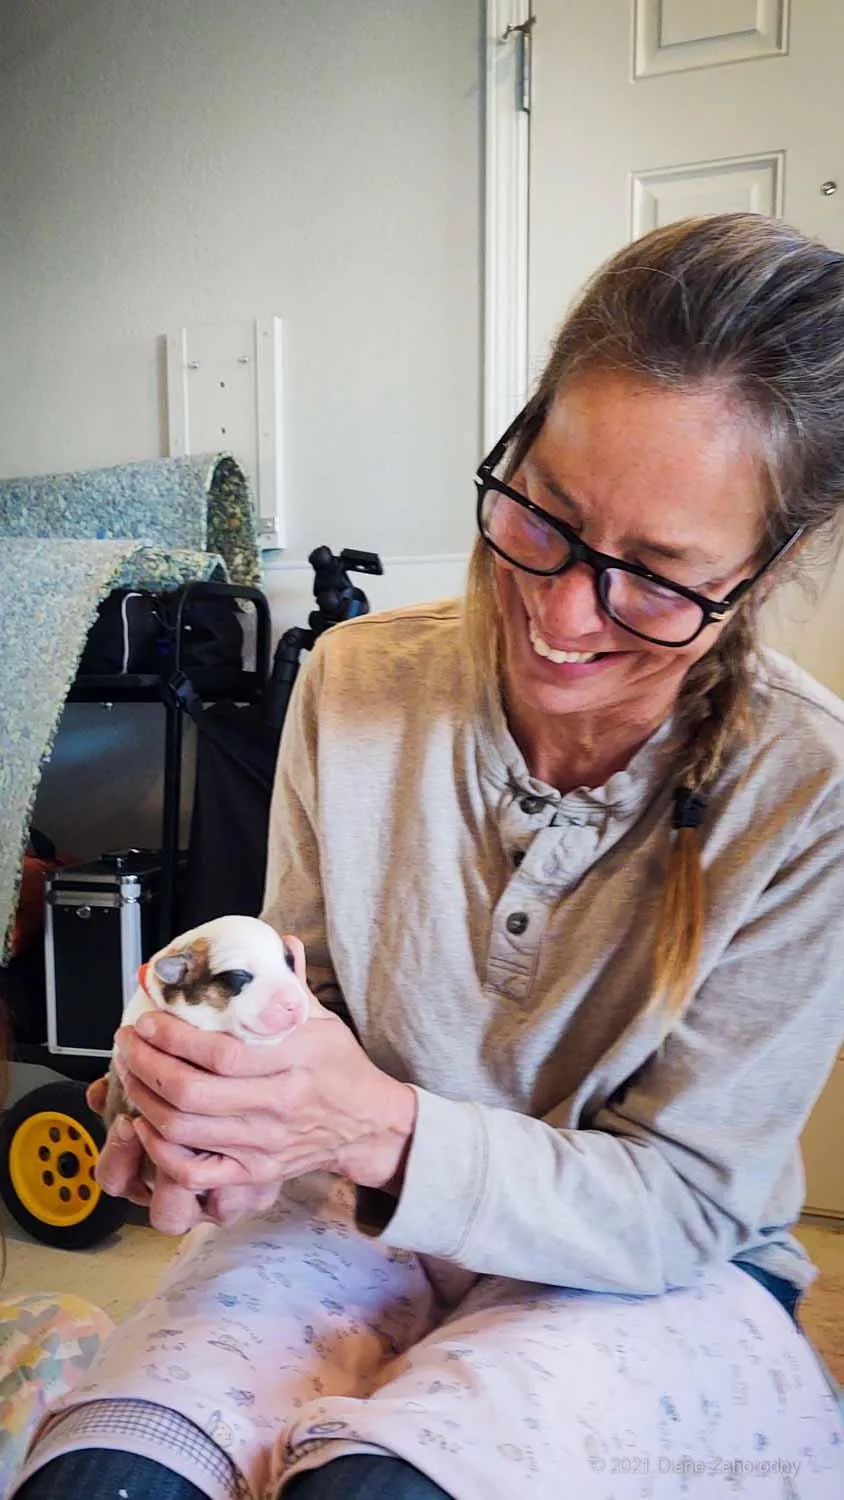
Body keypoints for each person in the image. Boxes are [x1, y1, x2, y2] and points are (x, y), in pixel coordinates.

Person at [11, 213, 844, 1500]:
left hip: (646, 1270)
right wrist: (198, 1110)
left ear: (768, 561)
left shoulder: (808, 794)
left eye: (656, 578)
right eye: (543, 515)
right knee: (107, 1480)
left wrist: (373, 1123)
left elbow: (684, 1205)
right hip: (345, 1225)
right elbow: (313, 1009)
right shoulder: (351, 685)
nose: (561, 616)